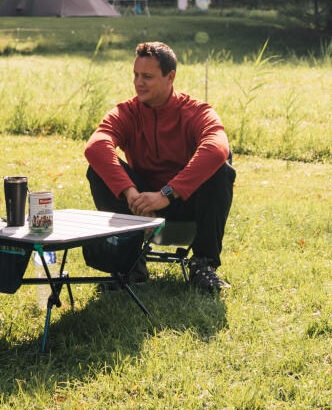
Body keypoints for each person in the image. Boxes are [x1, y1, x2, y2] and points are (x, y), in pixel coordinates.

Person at [83, 41, 235, 293]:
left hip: (184, 202)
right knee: (97, 169)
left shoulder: (197, 111)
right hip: (141, 205)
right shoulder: (127, 112)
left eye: (147, 76)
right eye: (135, 75)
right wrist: (133, 196)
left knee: (221, 170)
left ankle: (204, 265)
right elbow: (95, 146)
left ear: (170, 77)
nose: (138, 82)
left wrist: (166, 194)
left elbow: (218, 148)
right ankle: (130, 265)